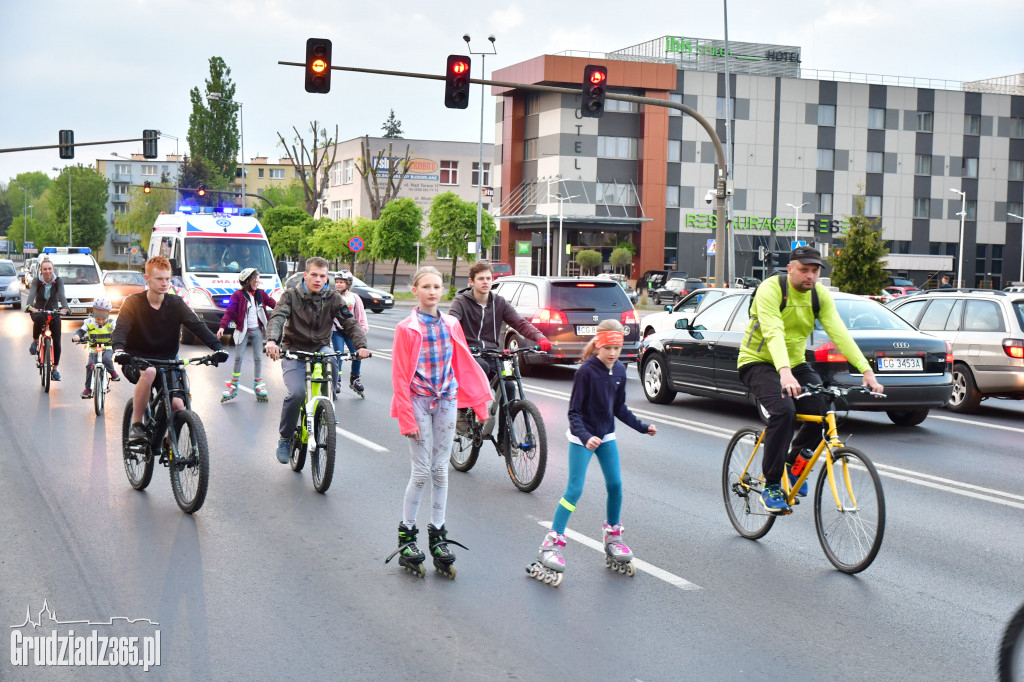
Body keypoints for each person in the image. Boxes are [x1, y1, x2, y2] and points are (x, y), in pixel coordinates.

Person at [738, 246, 884, 514]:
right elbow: (773, 331)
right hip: (757, 361)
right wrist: (783, 372)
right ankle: (771, 485)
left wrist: (866, 370)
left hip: (794, 363)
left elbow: (839, 333)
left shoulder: (819, 295)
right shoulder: (771, 289)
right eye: (804, 270)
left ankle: (794, 463)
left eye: (814, 271)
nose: (810, 276)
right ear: (790, 268)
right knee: (784, 411)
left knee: (824, 407)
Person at [528, 319, 656, 584]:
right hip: (581, 437)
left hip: (606, 435)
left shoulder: (619, 370)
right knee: (574, 490)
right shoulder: (586, 372)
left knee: (616, 485)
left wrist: (642, 428)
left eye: (617, 348)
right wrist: (585, 437)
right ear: (598, 344)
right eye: (607, 347)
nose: (612, 353)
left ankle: (613, 537)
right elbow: (574, 412)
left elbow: (619, 409)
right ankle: (551, 543)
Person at [388, 266, 491, 578]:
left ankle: (438, 535)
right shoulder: (406, 329)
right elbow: (399, 376)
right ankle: (407, 536)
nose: (433, 291)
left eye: (437, 286)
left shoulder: (451, 324)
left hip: (447, 400)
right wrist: (406, 417)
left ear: (443, 290)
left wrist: (477, 404)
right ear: (415, 290)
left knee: (440, 470)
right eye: (426, 286)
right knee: (420, 471)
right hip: (417, 401)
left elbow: (462, 364)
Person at [265, 257, 370, 464]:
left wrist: (361, 346)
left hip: (320, 347)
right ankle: (285, 438)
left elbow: (349, 322)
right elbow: (278, 317)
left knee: (332, 361)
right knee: (297, 393)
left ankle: (326, 410)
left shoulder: (333, 297)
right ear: (305, 275)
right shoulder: (291, 295)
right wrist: (272, 341)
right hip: (294, 349)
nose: (318, 279)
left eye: (323, 276)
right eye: (314, 274)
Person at [112, 256, 228, 443]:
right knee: (149, 372)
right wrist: (119, 350)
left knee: (177, 404)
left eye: (168, 279)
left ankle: (168, 443)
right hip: (136, 360)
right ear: (146, 278)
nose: (165, 283)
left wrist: (218, 348)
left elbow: (197, 326)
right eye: (159, 279)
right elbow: (121, 329)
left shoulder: (176, 304)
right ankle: (137, 425)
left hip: (168, 362)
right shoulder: (133, 303)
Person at [448, 261, 552, 431]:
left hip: (492, 354)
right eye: (480, 278)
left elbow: (520, 323)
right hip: (469, 356)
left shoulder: (499, 302)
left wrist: (540, 338)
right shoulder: (461, 302)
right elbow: (451, 322)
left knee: (509, 387)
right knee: (480, 367)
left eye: (488, 278)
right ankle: (462, 410)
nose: (485, 282)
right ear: (471, 281)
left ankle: (505, 437)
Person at [217, 268, 277, 402]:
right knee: (238, 357)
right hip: (242, 330)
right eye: (255, 280)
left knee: (258, 358)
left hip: (256, 331)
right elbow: (229, 312)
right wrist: (222, 326)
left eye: (258, 279)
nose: (257, 282)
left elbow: (274, 304)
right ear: (247, 281)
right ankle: (233, 385)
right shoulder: (237, 295)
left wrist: (286, 310)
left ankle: (258, 384)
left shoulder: (261, 293)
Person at [25, 257, 70, 381]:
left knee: (57, 341)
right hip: (38, 309)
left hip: (54, 310)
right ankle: (35, 342)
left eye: (50, 268)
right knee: (39, 318)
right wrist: (29, 306)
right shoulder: (36, 281)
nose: (47, 271)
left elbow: (62, 294)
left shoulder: (58, 281)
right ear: (41, 270)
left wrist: (65, 307)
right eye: (45, 269)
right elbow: (32, 294)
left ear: (53, 269)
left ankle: (55, 370)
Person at [71, 299, 120, 398]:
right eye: (98, 319)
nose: (101, 321)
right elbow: (81, 331)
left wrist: (118, 339)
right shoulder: (89, 322)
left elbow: (118, 332)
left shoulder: (112, 322)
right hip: (94, 348)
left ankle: (113, 373)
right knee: (90, 365)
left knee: (106, 359)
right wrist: (77, 336)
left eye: (103, 319)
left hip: (107, 347)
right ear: (94, 314)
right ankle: (88, 389)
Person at [331, 272, 369, 397]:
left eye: (341, 282)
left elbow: (361, 314)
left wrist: (362, 328)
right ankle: (338, 380)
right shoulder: (333, 297)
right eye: (336, 282)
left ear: (348, 284)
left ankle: (355, 378)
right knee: (339, 355)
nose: (338, 284)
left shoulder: (354, 297)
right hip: (337, 331)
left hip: (351, 331)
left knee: (357, 354)